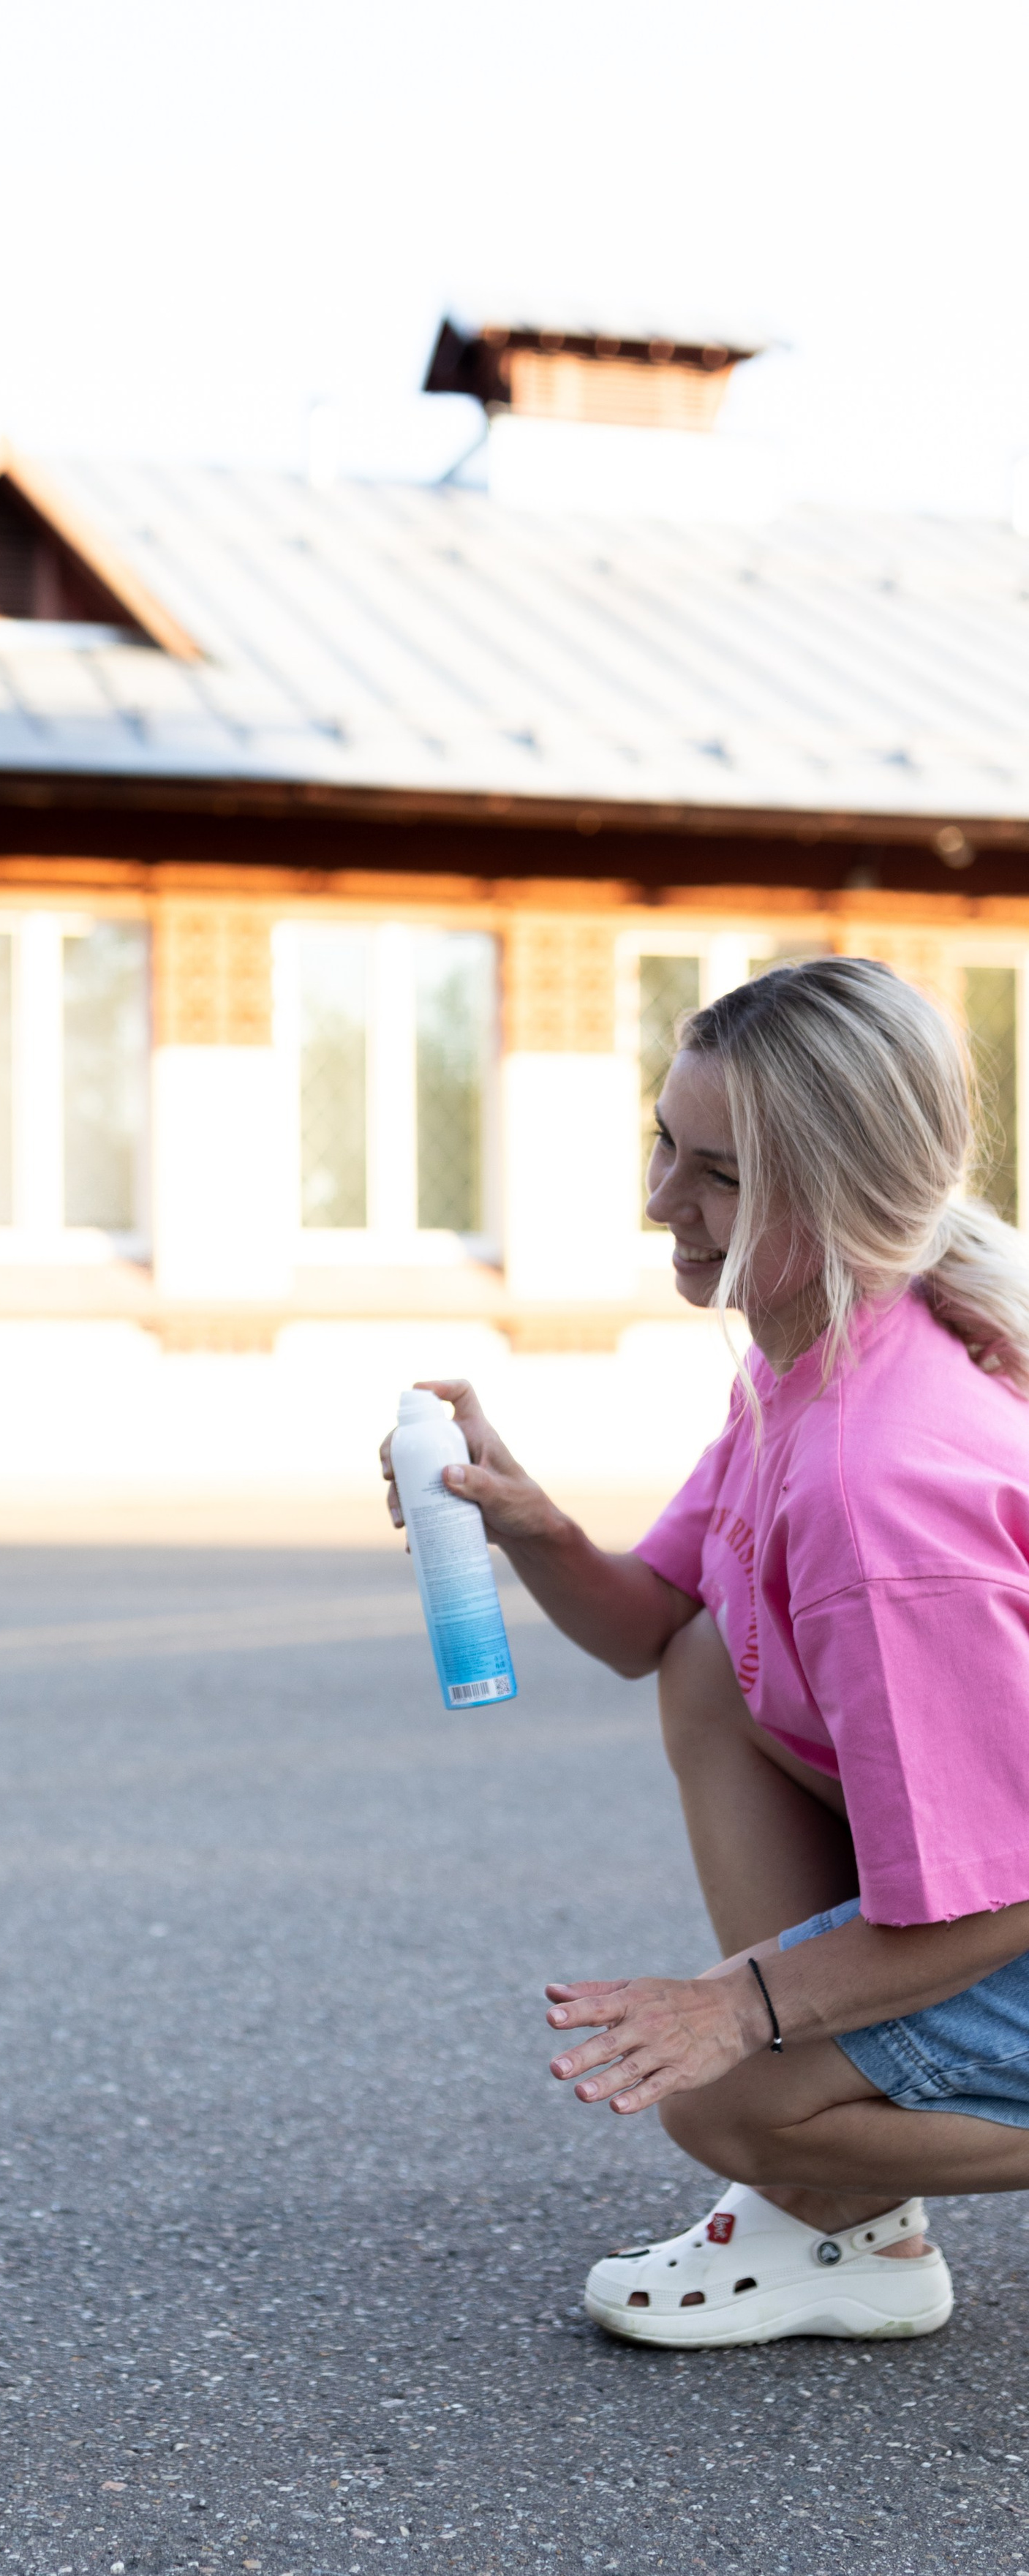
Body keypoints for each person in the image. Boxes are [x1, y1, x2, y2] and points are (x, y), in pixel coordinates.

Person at [384, 955, 1029, 2348]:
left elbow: (994, 1896)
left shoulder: (882, 1485)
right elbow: (648, 1633)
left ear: (849, 1198)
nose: (663, 1202)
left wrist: (737, 2011)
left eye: (721, 1176)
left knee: (726, 2107)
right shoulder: (808, 1361)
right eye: (666, 1144)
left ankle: (834, 2198)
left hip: (1014, 1899)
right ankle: (842, 2213)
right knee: (704, 1664)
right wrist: (530, 1521)